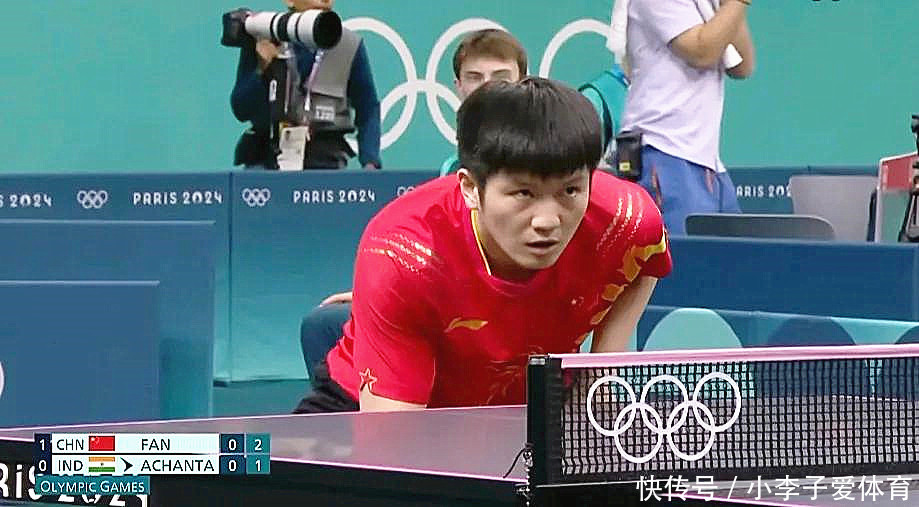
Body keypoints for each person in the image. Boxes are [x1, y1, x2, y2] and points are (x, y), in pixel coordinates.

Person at [294, 77, 672, 413]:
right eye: (523, 193)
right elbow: (391, 446)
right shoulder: (403, 255)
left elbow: (644, 263)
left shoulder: (626, 220)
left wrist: (598, 375)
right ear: (471, 188)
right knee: (261, 462)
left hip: (526, 409)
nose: (547, 220)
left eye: (570, 190)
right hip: (370, 407)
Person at [298, 28, 527, 379]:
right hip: (444, 301)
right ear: (458, 87)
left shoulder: (534, 160)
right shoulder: (453, 168)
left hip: (500, 312)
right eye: (475, 78)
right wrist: (380, 292)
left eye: (500, 77)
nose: (487, 88)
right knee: (323, 326)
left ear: (523, 83)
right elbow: (440, 256)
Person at [619, 0, 755, 234]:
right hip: (663, 153)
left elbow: (743, 66)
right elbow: (702, 51)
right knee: (679, 257)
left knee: (734, 255)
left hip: (707, 163)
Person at [230, 0, 382, 170]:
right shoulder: (264, 35)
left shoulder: (348, 44)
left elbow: (368, 108)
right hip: (266, 156)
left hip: (325, 159)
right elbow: (241, 109)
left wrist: (370, 161)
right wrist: (262, 68)